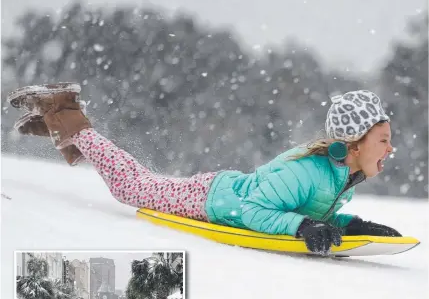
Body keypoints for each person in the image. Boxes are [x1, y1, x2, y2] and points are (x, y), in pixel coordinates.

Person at [7, 83, 402, 255]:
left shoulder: (340, 178)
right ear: (354, 143)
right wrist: (301, 229)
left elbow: (312, 212)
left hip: (220, 192)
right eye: (383, 139)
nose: (390, 147)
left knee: (137, 181)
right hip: (211, 198)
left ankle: (66, 127)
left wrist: (351, 225)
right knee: (131, 186)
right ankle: (66, 114)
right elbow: (253, 211)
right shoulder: (309, 172)